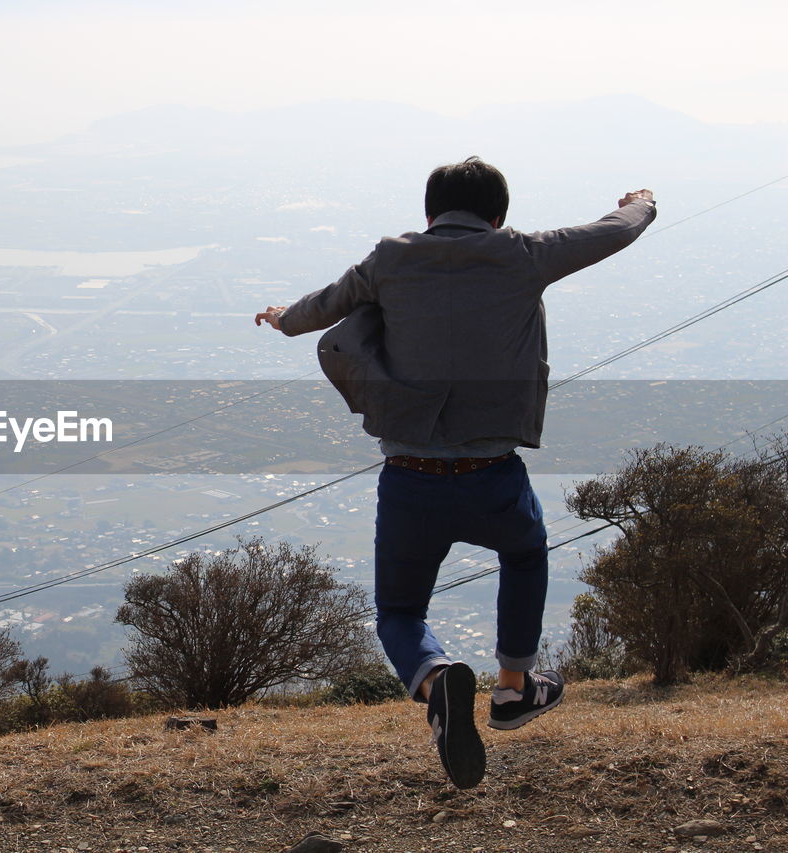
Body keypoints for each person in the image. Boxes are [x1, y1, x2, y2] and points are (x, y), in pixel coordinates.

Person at [255, 157, 656, 788]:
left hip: (409, 476)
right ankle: (513, 687)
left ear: (429, 213)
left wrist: (280, 315)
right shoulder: (522, 254)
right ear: (498, 215)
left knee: (399, 611)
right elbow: (614, 230)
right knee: (524, 557)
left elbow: (317, 310)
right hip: (493, 474)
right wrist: (642, 200)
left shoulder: (390, 258)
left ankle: (438, 682)